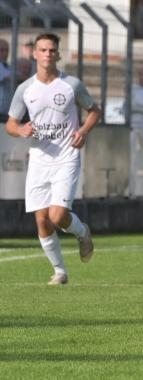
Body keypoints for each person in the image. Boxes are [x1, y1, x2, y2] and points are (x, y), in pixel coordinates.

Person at [5, 33, 101, 285]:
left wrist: (83, 131)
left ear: (58, 54)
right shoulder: (24, 89)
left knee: (57, 216)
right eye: (43, 50)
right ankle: (60, 271)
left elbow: (94, 111)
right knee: (42, 220)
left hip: (66, 157)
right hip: (39, 159)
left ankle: (82, 233)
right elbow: (11, 124)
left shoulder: (71, 85)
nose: (47, 54)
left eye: (52, 50)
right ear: (34, 54)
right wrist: (21, 130)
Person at [0, 38, 11, 122]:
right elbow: (11, 77)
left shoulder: (7, 67)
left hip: (6, 113)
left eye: (7, 50)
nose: (5, 53)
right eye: (1, 50)